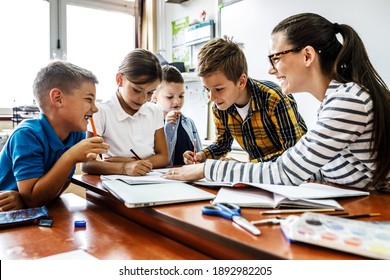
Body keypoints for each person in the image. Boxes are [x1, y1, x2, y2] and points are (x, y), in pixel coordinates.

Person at [164, 13, 390, 191]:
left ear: (308, 56)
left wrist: (207, 169)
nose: (271, 69)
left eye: (276, 58)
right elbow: (319, 170)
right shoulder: (337, 99)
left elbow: (285, 171)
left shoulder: (347, 100)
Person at [0, 61, 109, 210]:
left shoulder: (76, 135)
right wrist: (70, 157)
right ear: (58, 98)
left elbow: (54, 192)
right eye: (89, 99)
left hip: (30, 212)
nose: (95, 109)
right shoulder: (27, 135)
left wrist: (25, 202)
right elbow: (32, 199)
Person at [183, 36, 307, 165]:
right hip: (258, 174)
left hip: (297, 174)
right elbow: (222, 144)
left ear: (241, 81)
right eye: (207, 89)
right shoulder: (221, 106)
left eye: (219, 89)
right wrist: (201, 155)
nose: (211, 97)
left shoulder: (274, 98)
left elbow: (293, 153)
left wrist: (244, 166)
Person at [81, 49, 168, 176]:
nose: (143, 99)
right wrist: (124, 167)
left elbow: (163, 157)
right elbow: (87, 164)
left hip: (148, 181)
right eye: (137, 90)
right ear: (119, 79)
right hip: (113, 185)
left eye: (150, 93)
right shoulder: (100, 111)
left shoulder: (155, 110)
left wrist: (132, 162)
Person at [152, 65, 202, 166]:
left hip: (186, 177)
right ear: (155, 97)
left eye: (181, 96)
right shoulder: (151, 124)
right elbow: (162, 161)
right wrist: (168, 127)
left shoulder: (189, 123)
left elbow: (200, 155)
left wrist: (195, 158)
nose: (177, 101)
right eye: (170, 97)